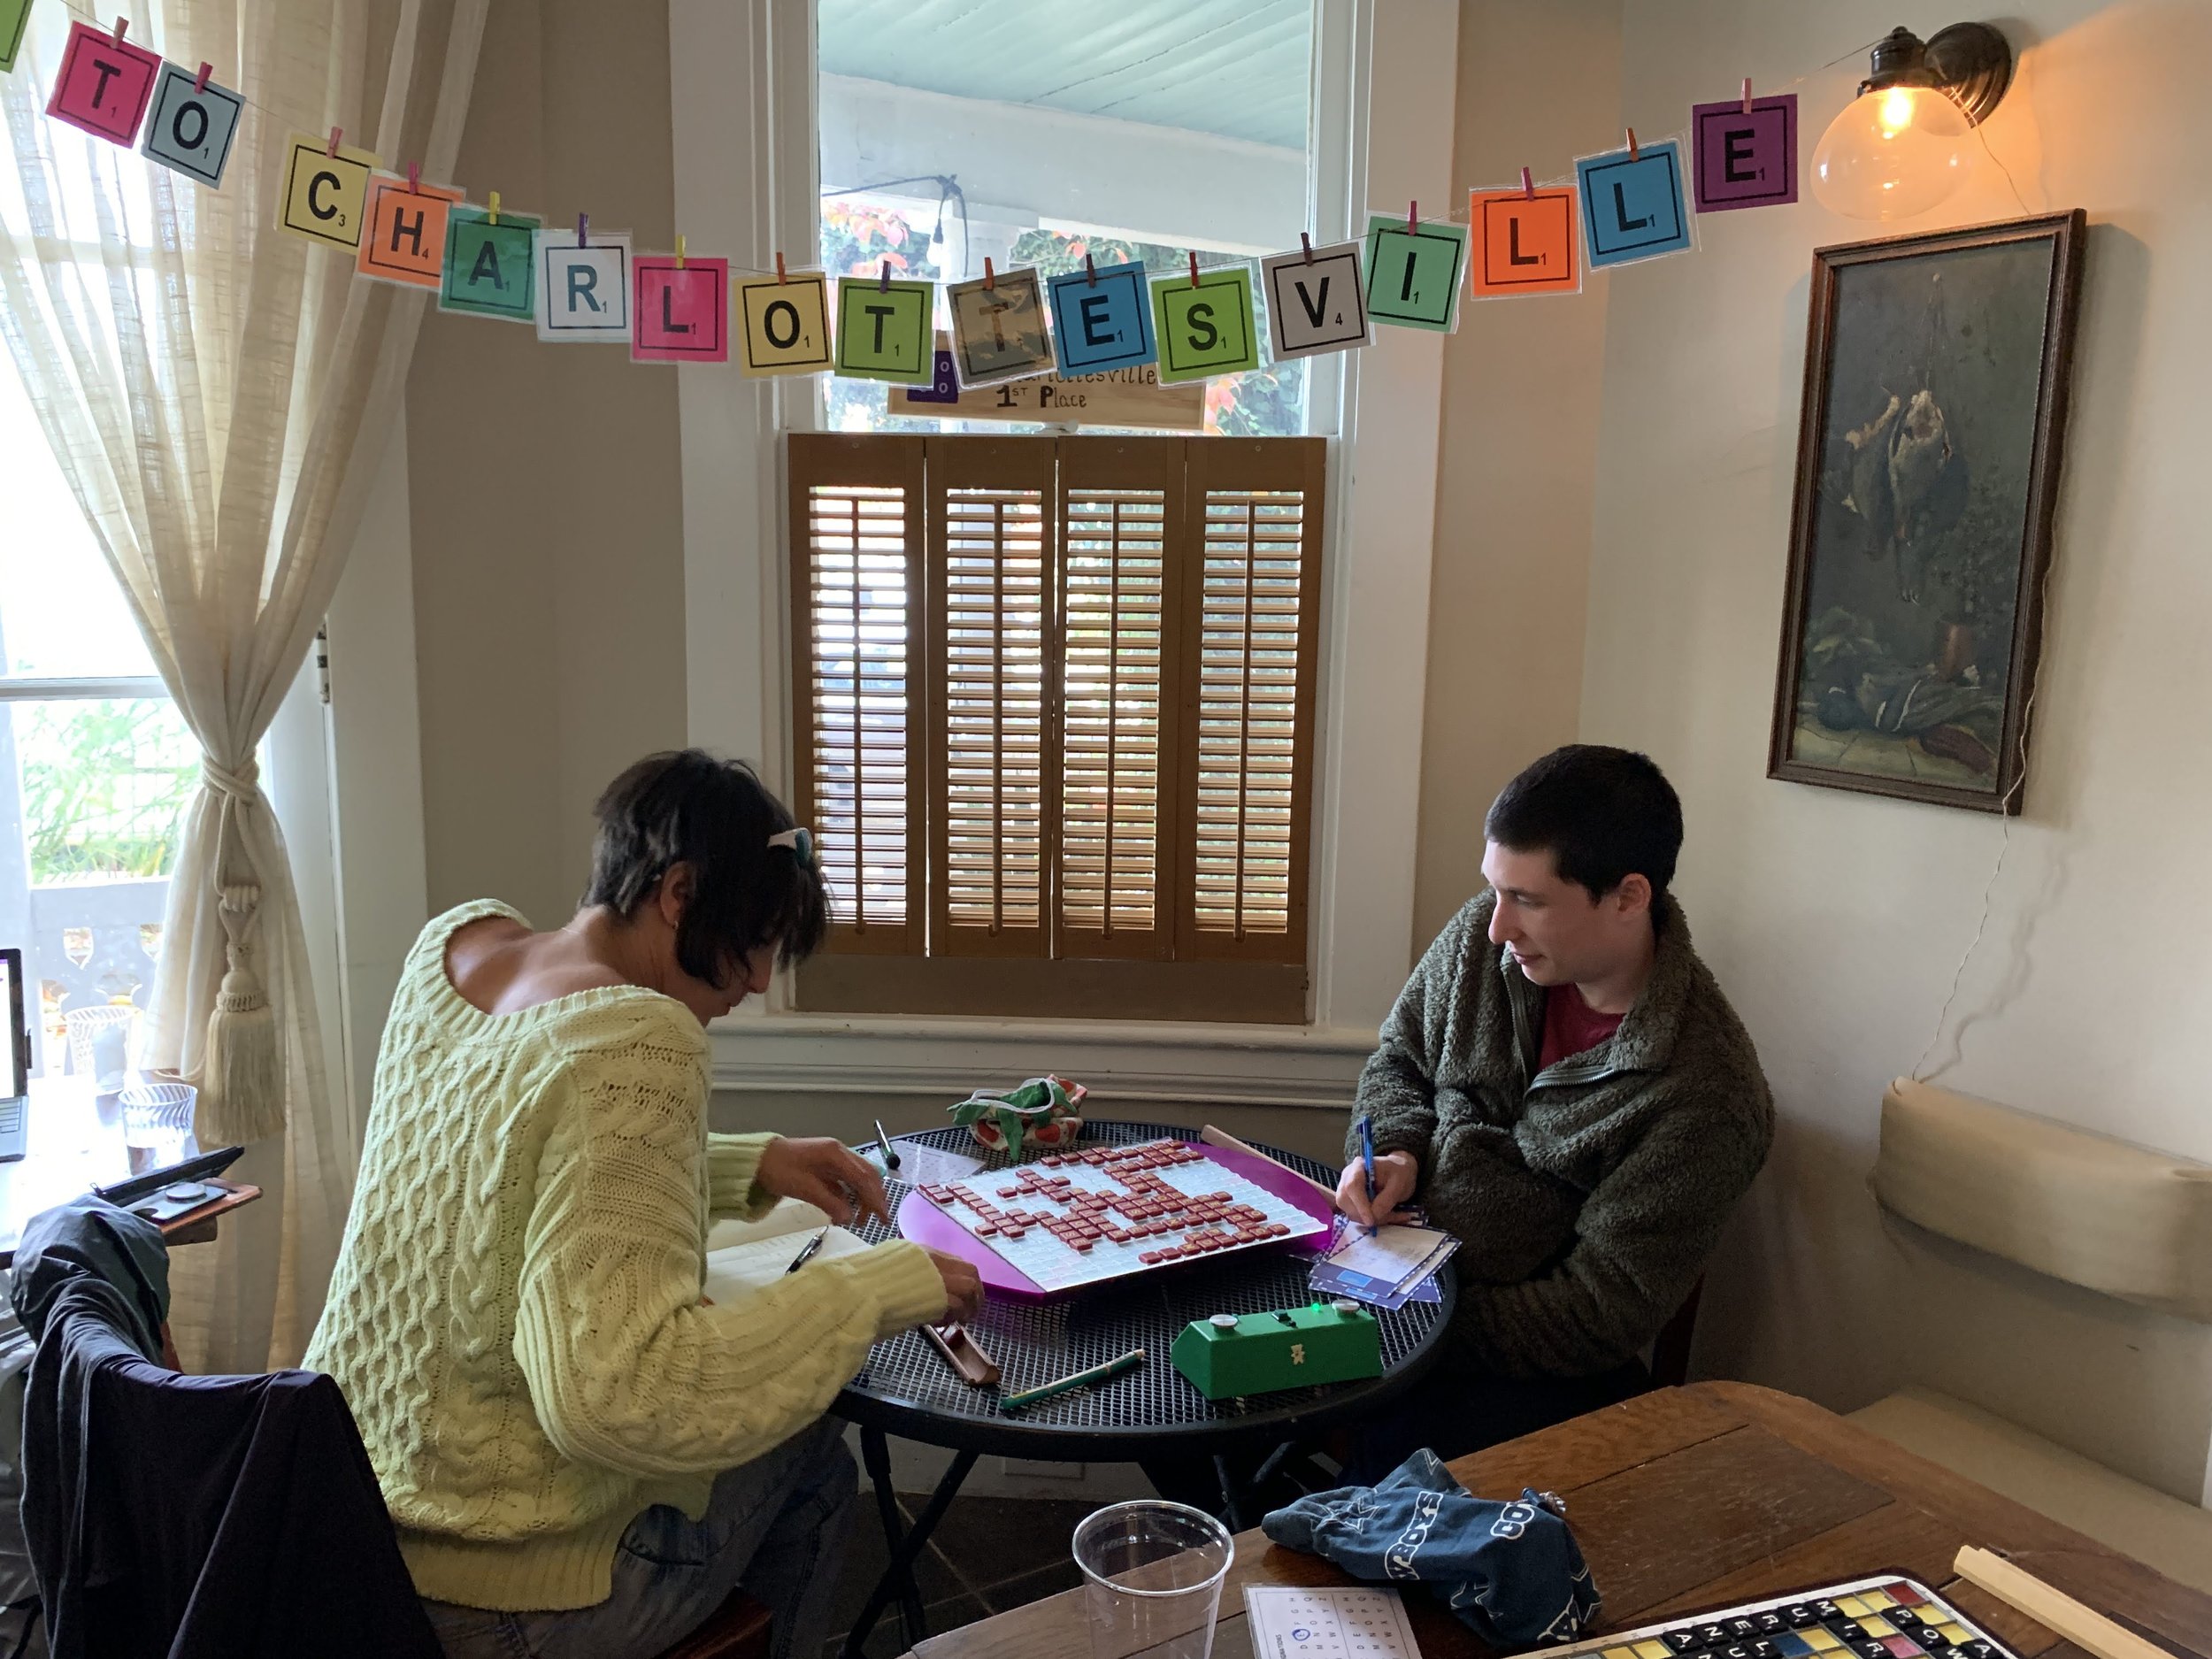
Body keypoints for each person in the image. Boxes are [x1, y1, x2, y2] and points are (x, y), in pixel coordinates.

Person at [304, 750, 983, 1659]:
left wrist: (751, 1162)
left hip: (343, 1530)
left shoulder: (456, 952)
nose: (756, 982)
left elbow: (507, 1185)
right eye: (753, 944)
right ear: (678, 894)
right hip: (496, 1596)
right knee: (815, 1464)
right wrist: (870, 1289)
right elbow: (619, 1396)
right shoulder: (639, 1036)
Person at [1337, 745, 1771, 1480]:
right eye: (1495, 890)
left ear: (1628, 896)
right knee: (1191, 1362)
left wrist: (1416, 1322)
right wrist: (1396, 1150)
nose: (1495, 927)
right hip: (1382, 1281)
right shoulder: (1489, 944)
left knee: (1363, 1476)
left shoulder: (1706, 1095)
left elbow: (1597, 1313)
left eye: (1528, 900)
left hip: (1519, 1368)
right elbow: (1401, 1059)